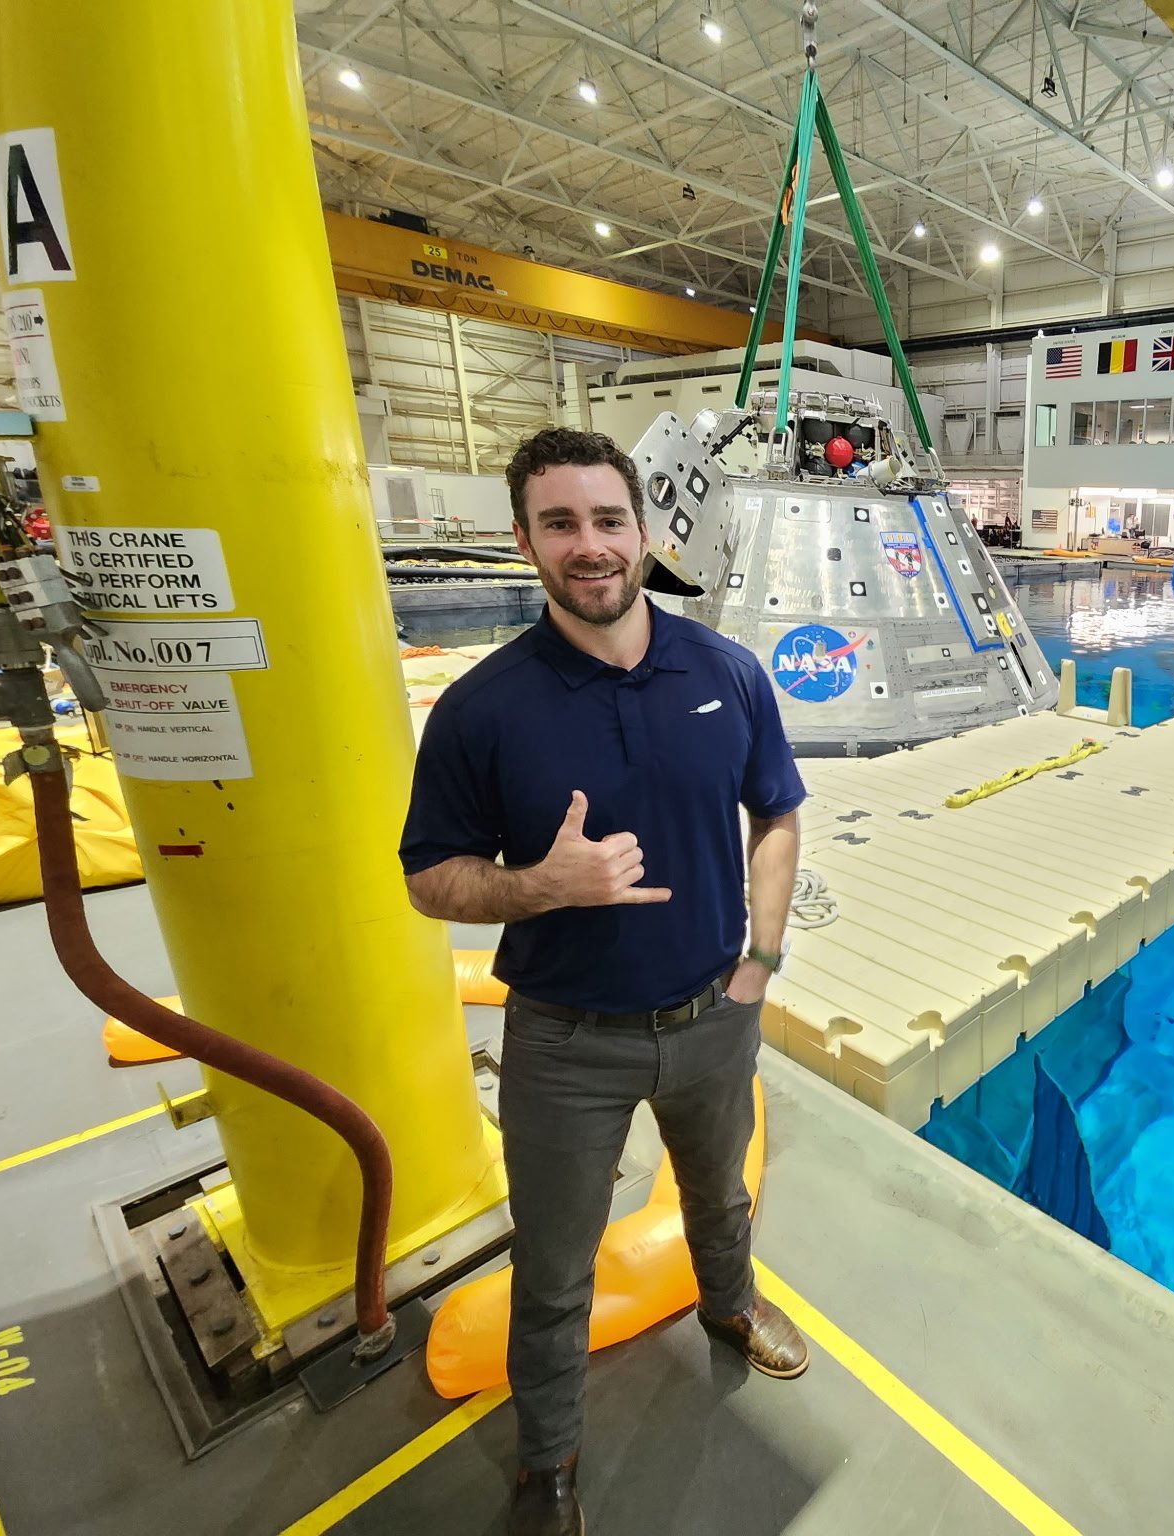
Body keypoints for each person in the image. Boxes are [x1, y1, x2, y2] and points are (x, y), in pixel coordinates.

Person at [399, 427, 809, 1536]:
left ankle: (728, 1307)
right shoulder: (484, 708)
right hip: (565, 1040)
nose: (590, 546)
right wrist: (540, 885)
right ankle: (551, 1462)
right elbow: (429, 881)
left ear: (645, 530)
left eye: (607, 519)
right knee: (554, 1263)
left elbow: (776, 814)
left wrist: (759, 961)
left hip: (711, 1019)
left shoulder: (726, 672)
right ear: (524, 540)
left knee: (719, 1198)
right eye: (560, 523)